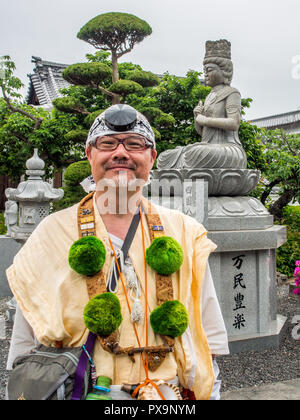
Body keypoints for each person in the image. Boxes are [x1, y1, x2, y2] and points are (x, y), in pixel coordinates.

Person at [6, 104, 229, 400]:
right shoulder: (51, 232)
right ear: (89, 155)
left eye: (135, 144)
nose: (120, 153)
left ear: (152, 157)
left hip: (167, 394)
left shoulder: (185, 231)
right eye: (107, 143)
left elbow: (207, 327)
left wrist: (209, 392)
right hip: (83, 391)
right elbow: (25, 339)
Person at [157, 39, 247, 170]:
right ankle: (185, 168)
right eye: (204, 70)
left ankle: (186, 170)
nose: (205, 73)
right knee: (165, 157)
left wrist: (204, 119)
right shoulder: (209, 96)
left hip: (227, 148)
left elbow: (234, 124)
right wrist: (197, 117)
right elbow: (202, 133)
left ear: (224, 71)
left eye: (209, 70)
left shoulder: (232, 93)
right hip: (207, 146)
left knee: (197, 152)